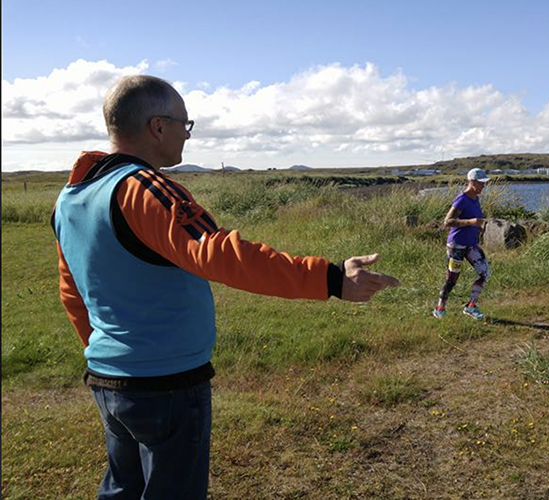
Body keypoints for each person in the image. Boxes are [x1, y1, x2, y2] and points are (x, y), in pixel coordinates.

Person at [51, 75, 400, 500]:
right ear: (157, 127)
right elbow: (218, 253)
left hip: (109, 380)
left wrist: (105, 352)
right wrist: (330, 278)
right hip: (166, 384)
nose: (187, 133)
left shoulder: (73, 196)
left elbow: (72, 291)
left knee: (123, 489)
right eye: (185, 124)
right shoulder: (145, 189)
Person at [432, 168, 491, 320]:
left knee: (485, 273)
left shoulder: (476, 199)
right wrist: (471, 222)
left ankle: (471, 306)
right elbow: (448, 222)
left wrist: (478, 232)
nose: (484, 186)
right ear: (472, 182)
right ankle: (440, 309)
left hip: (470, 245)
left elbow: (476, 221)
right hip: (456, 246)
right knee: (452, 279)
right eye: (481, 183)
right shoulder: (462, 199)